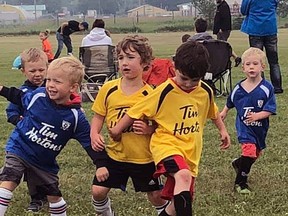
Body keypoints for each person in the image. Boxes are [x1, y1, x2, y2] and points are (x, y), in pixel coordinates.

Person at [109, 40, 231, 216]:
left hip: (191, 152)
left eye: (194, 80)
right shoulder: (163, 91)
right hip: (166, 145)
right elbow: (135, 111)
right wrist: (116, 130)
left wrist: (222, 130)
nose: (188, 84)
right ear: (175, 67)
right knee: (183, 176)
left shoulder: (205, 90)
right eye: (184, 78)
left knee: (177, 204)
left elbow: (213, 111)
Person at [0, 56, 99, 216]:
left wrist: (101, 164)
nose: (50, 85)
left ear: (73, 87)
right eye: (49, 80)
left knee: (54, 197)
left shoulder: (75, 117)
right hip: (19, 148)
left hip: (44, 163)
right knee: (9, 179)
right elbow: (19, 96)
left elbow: (88, 142)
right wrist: (2, 89)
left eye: (57, 82)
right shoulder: (39, 95)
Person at [90, 35, 168, 216]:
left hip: (144, 157)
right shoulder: (108, 88)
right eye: (121, 58)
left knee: (156, 195)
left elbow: (162, 126)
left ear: (145, 63)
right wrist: (95, 134)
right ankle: (106, 213)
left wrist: (149, 130)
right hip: (115, 154)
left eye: (131, 57)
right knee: (98, 191)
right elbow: (98, 117)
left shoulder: (151, 94)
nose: (125, 62)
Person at [220, 47, 276, 194]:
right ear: (243, 67)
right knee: (249, 151)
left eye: (255, 64)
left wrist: (258, 116)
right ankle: (240, 183)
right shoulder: (239, 88)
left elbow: (270, 108)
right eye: (248, 64)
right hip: (244, 127)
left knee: (255, 154)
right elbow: (230, 101)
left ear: (262, 66)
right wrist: (224, 112)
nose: (251, 67)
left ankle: (239, 163)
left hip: (260, 128)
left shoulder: (266, 87)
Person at [5, 48, 48, 212]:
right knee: (18, 168)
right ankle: (34, 198)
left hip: (45, 141)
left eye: (41, 70)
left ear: (47, 68)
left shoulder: (51, 90)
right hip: (25, 140)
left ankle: (41, 195)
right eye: (32, 71)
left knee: (41, 170)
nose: (37, 74)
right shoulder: (21, 93)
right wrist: (18, 120)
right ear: (23, 71)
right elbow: (11, 112)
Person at [240, 0, 283, 94]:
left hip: (255, 29)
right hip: (270, 28)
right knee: (274, 61)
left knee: (257, 60)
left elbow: (243, 10)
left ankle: (260, 85)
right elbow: (275, 6)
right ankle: (277, 87)